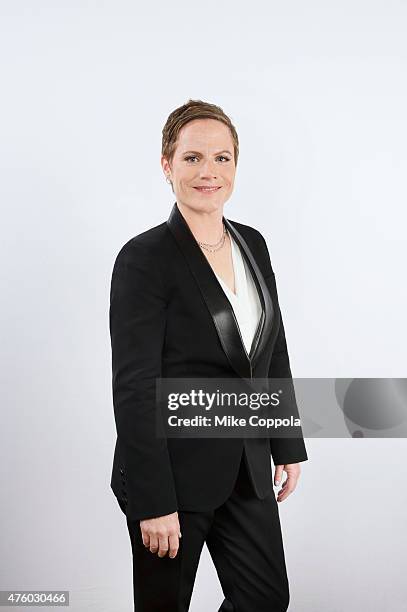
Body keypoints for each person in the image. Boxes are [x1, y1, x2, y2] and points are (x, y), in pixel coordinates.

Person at [109, 99, 308, 612]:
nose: (209, 172)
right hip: (171, 475)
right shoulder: (144, 258)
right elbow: (134, 386)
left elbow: (273, 348)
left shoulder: (254, 245)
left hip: (246, 466)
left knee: (265, 600)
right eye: (193, 157)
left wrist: (286, 442)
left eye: (222, 158)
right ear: (167, 164)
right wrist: (154, 501)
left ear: (236, 167)